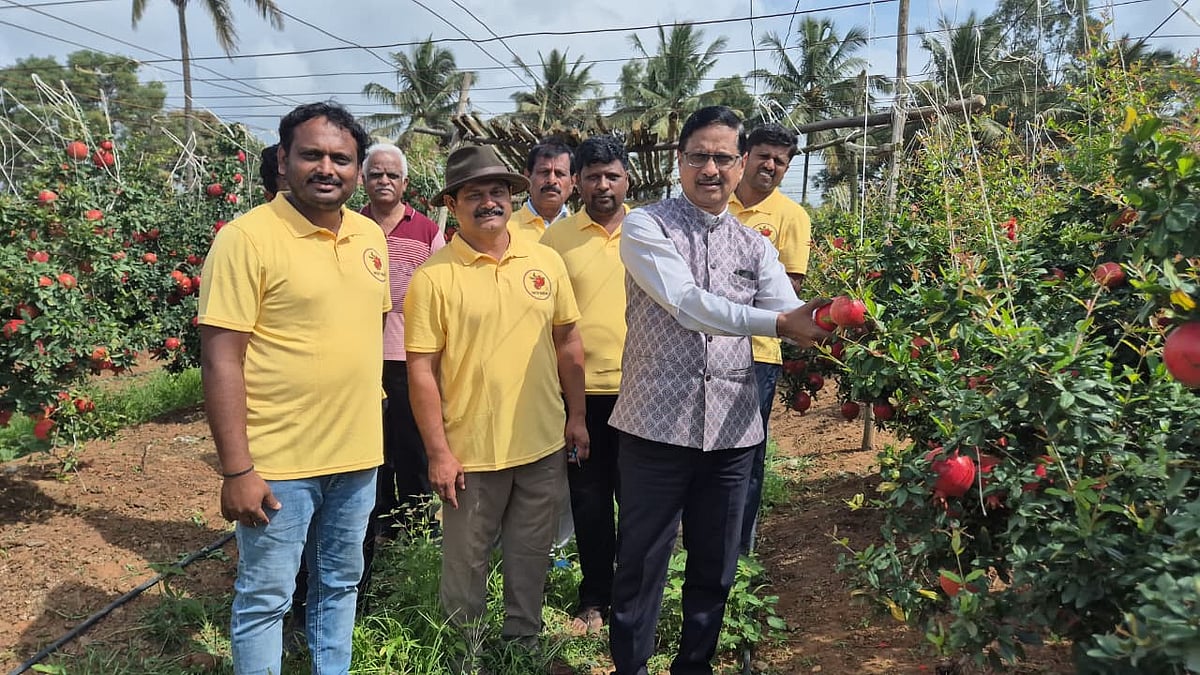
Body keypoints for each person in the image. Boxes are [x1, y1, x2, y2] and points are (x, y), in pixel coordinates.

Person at [607, 106, 831, 675]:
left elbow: (785, 305)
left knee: (716, 565)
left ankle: (694, 666)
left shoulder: (756, 246)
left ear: (741, 165)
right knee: (640, 565)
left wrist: (832, 321)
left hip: (732, 431)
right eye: (699, 156)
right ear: (679, 162)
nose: (711, 168)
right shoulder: (645, 227)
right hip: (655, 429)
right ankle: (631, 667)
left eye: (723, 158)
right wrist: (782, 326)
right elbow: (686, 304)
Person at [198, 102, 388, 675]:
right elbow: (220, 360)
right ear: (284, 160)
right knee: (266, 599)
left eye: (341, 158)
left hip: (357, 457)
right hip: (279, 462)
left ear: (357, 169)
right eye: (312, 155)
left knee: (340, 583)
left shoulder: (368, 237)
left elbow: (365, 334)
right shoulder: (246, 239)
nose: (327, 168)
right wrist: (237, 469)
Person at [404, 145, 589, 668]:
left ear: (512, 197)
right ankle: (466, 654)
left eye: (497, 192)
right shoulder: (434, 278)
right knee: (467, 563)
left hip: (541, 443)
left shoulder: (545, 260)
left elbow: (568, 343)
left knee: (530, 556)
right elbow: (421, 371)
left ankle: (522, 644)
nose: (489, 202)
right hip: (471, 452)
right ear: (453, 205)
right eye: (474, 194)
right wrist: (438, 451)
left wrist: (575, 418)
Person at [540, 135, 630, 636]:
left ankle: (634, 599)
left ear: (626, 180)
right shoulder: (557, 240)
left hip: (643, 393)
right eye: (592, 176)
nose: (602, 185)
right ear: (578, 182)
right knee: (590, 503)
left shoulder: (649, 231)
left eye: (611, 176)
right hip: (580, 397)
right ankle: (595, 597)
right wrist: (571, 408)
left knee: (639, 504)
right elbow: (551, 324)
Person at [358, 141, 445, 574]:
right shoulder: (349, 226)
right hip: (359, 356)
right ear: (363, 180)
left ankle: (416, 530)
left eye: (392, 175)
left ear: (405, 182)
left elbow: (444, 291)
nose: (384, 181)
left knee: (413, 448)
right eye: (376, 174)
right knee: (373, 449)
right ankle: (372, 527)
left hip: (411, 355)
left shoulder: (427, 230)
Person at [728, 123, 812, 555]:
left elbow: (787, 296)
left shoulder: (792, 218)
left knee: (746, 456)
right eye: (763, 155)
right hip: (698, 348)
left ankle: (738, 554)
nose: (771, 166)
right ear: (744, 155)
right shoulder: (713, 201)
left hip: (758, 352)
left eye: (780, 161)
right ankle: (689, 546)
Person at [508, 140, 574, 243]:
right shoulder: (506, 229)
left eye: (559, 173)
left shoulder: (583, 233)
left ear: (573, 182)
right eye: (544, 172)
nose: (552, 180)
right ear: (528, 177)